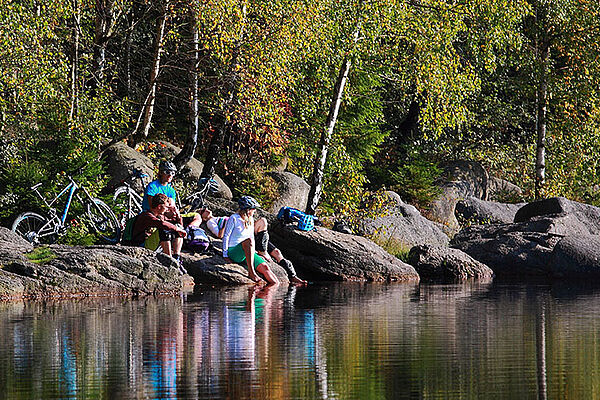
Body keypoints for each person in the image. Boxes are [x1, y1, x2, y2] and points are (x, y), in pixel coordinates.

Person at [221, 196, 279, 285]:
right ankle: (251, 273)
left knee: (265, 267)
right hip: (234, 251)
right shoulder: (234, 218)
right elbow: (226, 236)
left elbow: (251, 236)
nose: (255, 211)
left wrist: (254, 252)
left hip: (246, 252)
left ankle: (275, 294)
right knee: (248, 241)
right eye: (253, 209)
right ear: (247, 209)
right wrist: (225, 255)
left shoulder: (250, 220)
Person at [130, 193, 187, 265]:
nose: (167, 209)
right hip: (141, 245)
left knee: (176, 226)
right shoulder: (147, 216)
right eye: (166, 207)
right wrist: (176, 229)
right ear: (159, 206)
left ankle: (176, 257)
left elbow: (176, 225)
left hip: (152, 245)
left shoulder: (159, 216)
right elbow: (162, 224)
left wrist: (178, 216)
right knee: (164, 229)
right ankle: (169, 259)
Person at [142, 160, 202, 228]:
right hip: (152, 215)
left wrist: (175, 215)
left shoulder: (171, 190)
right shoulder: (152, 186)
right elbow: (152, 207)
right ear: (161, 172)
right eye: (167, 172)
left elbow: (172, 207)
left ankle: (188, 231)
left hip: (167, 215)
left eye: (173, 173)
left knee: (197, 216)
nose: (170, 175)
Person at [254, 217, 308, 285]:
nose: (254, 210)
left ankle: (293, 276)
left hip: (257, 237)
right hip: (250, 238)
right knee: (263, 221)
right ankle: (262, 251)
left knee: (277, 252)